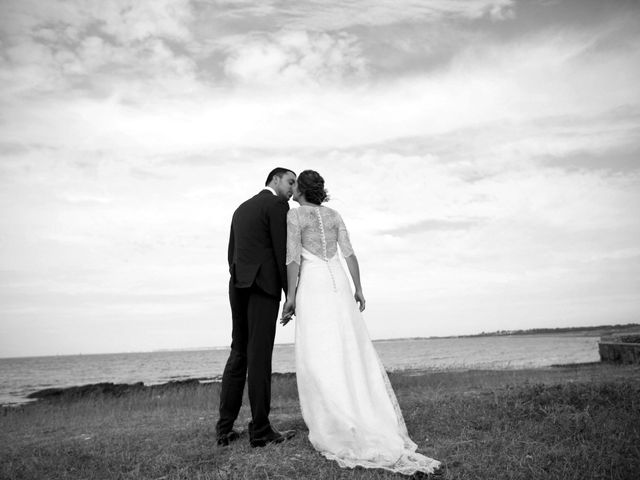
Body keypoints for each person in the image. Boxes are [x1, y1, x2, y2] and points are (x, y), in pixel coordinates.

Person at [280, 170, 441, 475]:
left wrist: (290, 296)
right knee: (348, 348)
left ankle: (337, 419)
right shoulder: (335, 214)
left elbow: (293, 258)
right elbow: (349, 254)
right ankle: (357, 410)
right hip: (339, 282)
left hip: (313, 286)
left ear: (300, 189)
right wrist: (358, 288)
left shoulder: (295, 216)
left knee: (318, 352)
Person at [216, 168, 297, 448]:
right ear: (275, 180)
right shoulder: (277, 204)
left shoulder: (241, 208)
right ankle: (261, 430)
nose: (293, 188)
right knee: (259, 357)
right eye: (290, 181)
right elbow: (281, 250)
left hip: (237, 284)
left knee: (238, 353)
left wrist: (240, 277)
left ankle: (224, 430)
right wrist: (290, 294)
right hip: (263, 286)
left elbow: (231, 253)